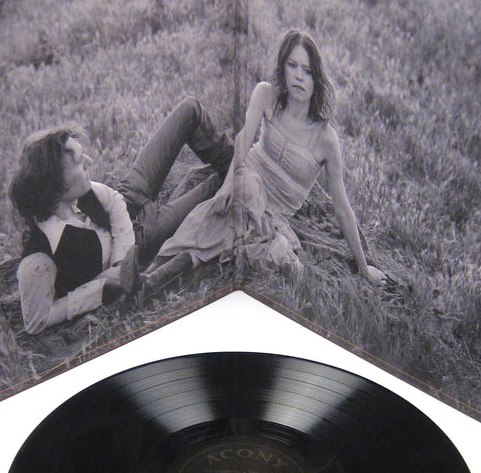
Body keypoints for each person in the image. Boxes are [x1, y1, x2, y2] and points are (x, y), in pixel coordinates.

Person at [141, 31, 386, 291]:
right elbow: (244, 139)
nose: (299, 76)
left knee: (264, 242)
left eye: (307, 71)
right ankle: (151, 277)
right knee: (241, 195)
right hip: (245, 180)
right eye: (292, 65)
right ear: (282, 68)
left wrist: (364, 269)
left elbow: (343, 208)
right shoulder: (267, 95)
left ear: (317, 79)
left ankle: (153, 276)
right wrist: (228, 185)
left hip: (272, 215)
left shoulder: (326, 139)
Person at [8, 96, 232, 334]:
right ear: (55, 187)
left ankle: (234, 161)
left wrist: (121, 261)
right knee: (219, 186)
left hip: (128, 200)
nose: (89, 162)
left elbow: (115, 200)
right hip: (144, 235)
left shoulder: (78, 192)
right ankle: (240, 168)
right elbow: (36, 321)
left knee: (190, 109)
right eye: (79, 164)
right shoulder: (39, 259)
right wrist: (99, 288)